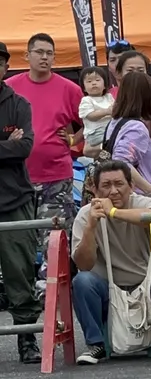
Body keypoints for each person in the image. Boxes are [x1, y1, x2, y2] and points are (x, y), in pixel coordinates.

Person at [71, 160, 151, 364]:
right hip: (107, 287)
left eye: (119, 184)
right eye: (106, 185)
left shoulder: (143, 203)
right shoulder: (86, 214)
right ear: (95, 189)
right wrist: (91, 227)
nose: (113, 191)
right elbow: (84, 265)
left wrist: (114, 213)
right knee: (82, 281)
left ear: (131, 186)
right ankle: (96, 344)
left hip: (148, 284)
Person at [7, 33, 83, 278]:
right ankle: (22, 291)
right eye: (39, 52)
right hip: (17, 178)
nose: (44, 57)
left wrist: (73, 140)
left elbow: (92, 124)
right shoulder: (10, 87)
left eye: (49, 53)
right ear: (27, 56)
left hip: (56, 177)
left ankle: (51, 293)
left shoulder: (69, 89)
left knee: (55, 240)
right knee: (18, 240)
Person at [0, 42, 42, 362]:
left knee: (20, 272)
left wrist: (14, 145)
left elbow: (25, 147)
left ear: (5, 67)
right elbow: (13, 148)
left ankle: (26, 338)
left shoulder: (19, 104)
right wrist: (6, 144)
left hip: (15, 199)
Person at [103, 72, 151, 198]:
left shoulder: (114, 123)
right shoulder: (136, 127)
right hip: (138, 197)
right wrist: (150, 190)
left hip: (119, 196)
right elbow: (121, 161)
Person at [78, 66, 115, 157]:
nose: (94, 83)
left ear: (105, 85)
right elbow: (91, 116)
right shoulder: (86, 100)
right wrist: (106, 111)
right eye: (89, 81)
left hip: (109, 129)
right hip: (95, 133)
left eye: (97, 80)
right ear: (84, 88)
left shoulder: (108, 97)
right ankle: (103, 147)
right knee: (114, 139)